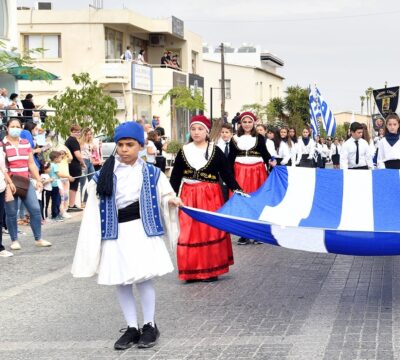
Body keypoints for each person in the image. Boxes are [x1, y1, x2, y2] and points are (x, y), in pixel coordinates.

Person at [72, 121, 181, 350]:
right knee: (121, 280)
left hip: (142, 230)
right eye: (120, 144)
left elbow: (165, 194)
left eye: (129, 144)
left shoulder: (152, 172)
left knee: (143, 278)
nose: (124, 149)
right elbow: (93, 205)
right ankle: (132, 327)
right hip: (115, 232)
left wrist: (170, 201)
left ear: (140, 146)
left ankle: (150, 325)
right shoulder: (103, 175)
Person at [169, 115, 242, 282]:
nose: (196, 132)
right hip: (188, 195)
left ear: (207, 131)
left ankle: (210, 270)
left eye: (200, 129)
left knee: (209, 231)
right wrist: (171, 195)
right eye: (193, 129)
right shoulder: (184, 151)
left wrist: (238, 190)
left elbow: (227, 175)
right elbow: (175, 176)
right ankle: (191, 271)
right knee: (188, 233)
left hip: (210, 195)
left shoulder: (215, 151)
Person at [3, 119, 51, 250]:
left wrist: (38, 180)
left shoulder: (25, 143)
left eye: (18, 126)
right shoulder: (2, 145)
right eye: (12, 126)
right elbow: (2, 167)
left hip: (26, 181)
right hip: (10, 182)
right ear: (7, 128)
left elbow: (30, 163)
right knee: (12, 212)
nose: (15, 128)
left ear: (22, 128)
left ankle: (38, 238)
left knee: (35, 210)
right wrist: (9, 182)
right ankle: (14, 240)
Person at [229, 112, 271, 245]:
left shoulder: (259, 138)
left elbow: (265, 154)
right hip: (240, 171)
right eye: (244, 122)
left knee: (256, 201)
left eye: (249, 122)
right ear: (240, 123)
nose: (247, 124)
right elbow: (230, 157)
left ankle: (257, 233)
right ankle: (244, 234)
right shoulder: (234, 138)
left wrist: (273, 163)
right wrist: (228, 175)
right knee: (242, 201)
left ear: (253, 123)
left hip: (257, 172)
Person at [65, 125, 86, 212]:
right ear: (71, 131)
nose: (78, 133)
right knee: (74, 185)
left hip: (71, 165)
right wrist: (83, 163)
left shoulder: (69, 140)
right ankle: (71, 205)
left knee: (73, 185)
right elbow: (77, 154)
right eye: (75, 131)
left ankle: (71, 204)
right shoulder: (73, 141)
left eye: (79, 131)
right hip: (74, 165)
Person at [46, 151, 69, 221]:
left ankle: (55, 214)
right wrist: (68, 176)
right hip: (55, 185)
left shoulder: (50, 165)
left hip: (51, 185)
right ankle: (55, 215)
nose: (61, 159)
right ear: (55, 159)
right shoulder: (55, 165)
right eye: (60, 158)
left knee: (54, 200)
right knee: (56, 200)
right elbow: (59, 174)